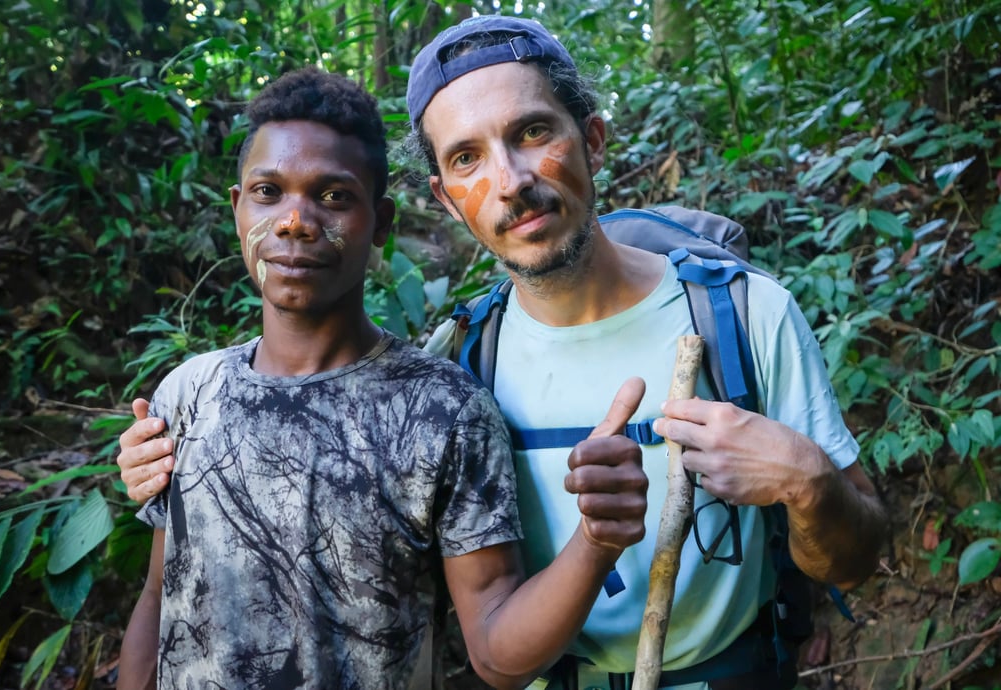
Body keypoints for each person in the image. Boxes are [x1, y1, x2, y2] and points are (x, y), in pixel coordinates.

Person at [118, 15, 889, 689]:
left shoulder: (742, 315)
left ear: (590, 138)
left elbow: (854, 561)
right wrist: (173, 454)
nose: (511, 181)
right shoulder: (463, 361)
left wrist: (808, 482)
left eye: (532, 133)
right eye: (467, 159)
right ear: (446, 198)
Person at [116, 65, 652, 690]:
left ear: (382, 221)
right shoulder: (190, 394)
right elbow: (160, 599)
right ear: (238, 210)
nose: (294, 221)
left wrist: (596, 541)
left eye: (334, 196)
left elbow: (498, 654)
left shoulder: (443, 410)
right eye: (268, 192)